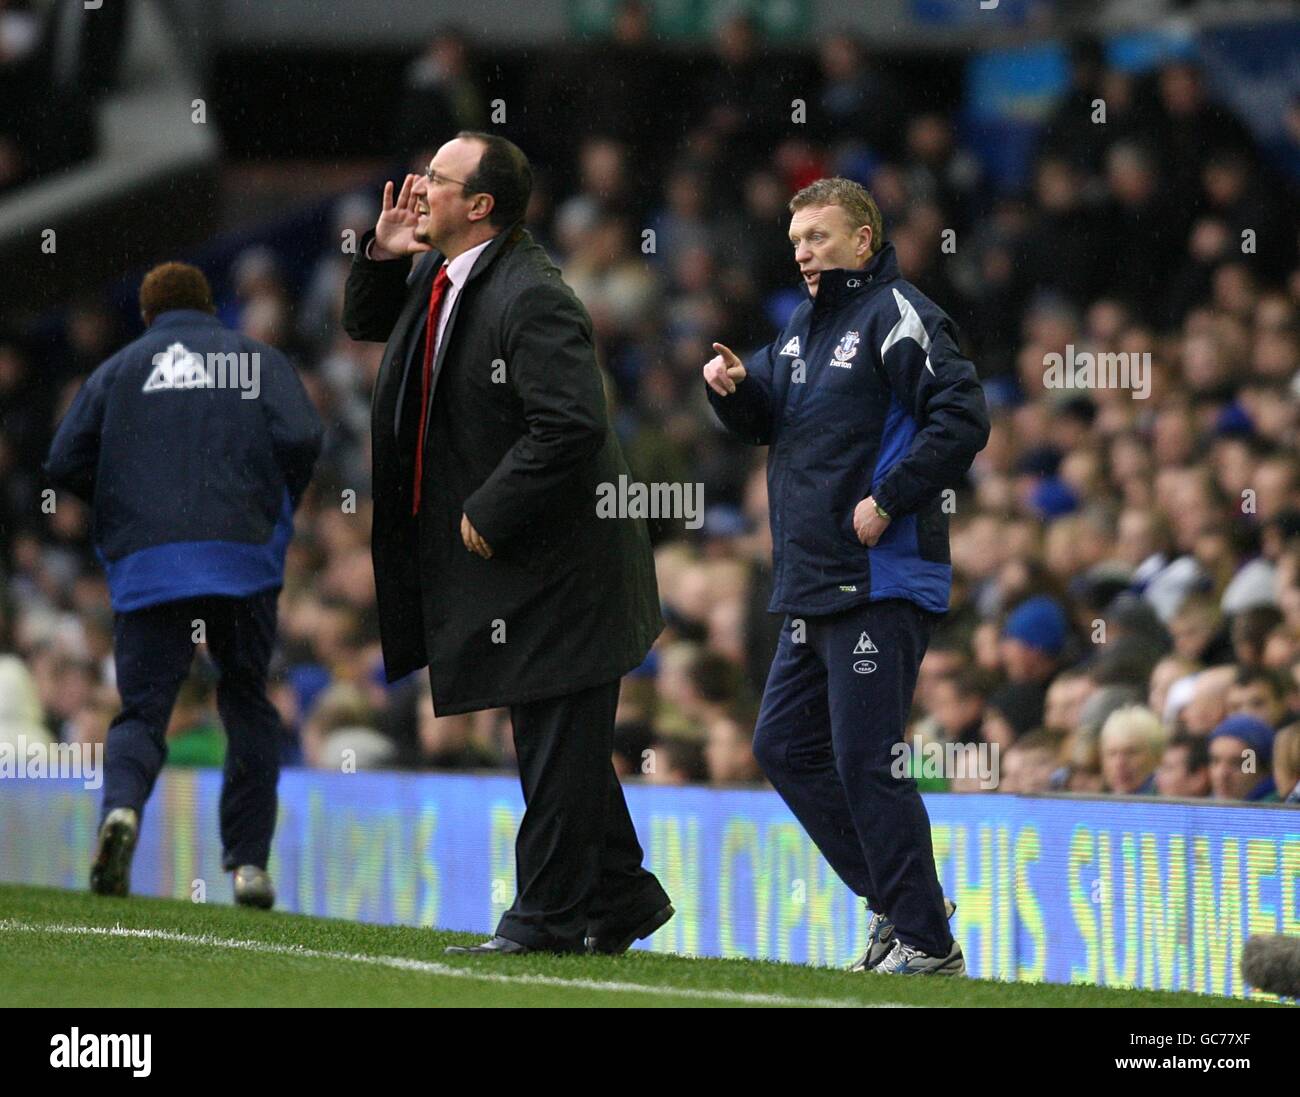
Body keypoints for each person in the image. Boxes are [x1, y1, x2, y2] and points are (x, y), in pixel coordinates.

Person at [341, 132, 672, 955]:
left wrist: (491, 508)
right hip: (527, 566)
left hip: (568, 566)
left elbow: (571, 422)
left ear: (480, 205)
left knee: (556, 742)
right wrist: (382, 257)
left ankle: (545, 923)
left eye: (437, 180)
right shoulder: (449, 274)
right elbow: (364, 324)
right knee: (560, 743)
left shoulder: (530, 294)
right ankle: (621, 896)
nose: (417, 188)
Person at [703, 176, 989, 975]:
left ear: (864, 240)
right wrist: (734, 393)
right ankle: (904, 910)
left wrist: (890, 497)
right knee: (785, 747)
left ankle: (927, 941)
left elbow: (963, 416)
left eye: (819, 238)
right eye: (797, 241)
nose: (803, 253)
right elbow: (773, 424)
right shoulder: (800, 329)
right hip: (813, 581)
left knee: (866, 758)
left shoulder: (899, 315)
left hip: (878, 574)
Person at [45, 261, 323, 908]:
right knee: (247, 699)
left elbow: (62, 459)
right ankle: (249, 863)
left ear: (148, 315)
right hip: (242, 560)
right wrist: (272, 503)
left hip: (149, 567)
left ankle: (120, 812)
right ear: (210, 306)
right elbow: (305, 434)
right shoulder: (255, 359)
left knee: (142, 711)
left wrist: (122, 507)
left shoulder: (117, 370)